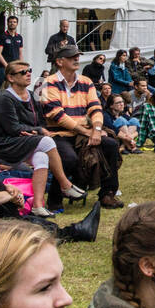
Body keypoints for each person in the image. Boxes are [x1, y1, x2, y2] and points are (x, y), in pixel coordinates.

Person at [0, 59, 85, 209]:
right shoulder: (4, 98)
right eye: (23, 72)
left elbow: (39, 121)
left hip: (24, 141)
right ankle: (65, 184)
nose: (28, 74)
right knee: (46, 141)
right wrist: (38, 132)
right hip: (6, 145)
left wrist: (36, 131)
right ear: (10, 77)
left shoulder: (31, 95)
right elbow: (13, 128)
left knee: (41, 157)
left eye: (29, 70)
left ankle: (37, 205)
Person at [42, 45, 124, 209]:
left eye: (77, 56)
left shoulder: (86, 82)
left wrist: (97, 129)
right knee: (69, 159)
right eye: (72, 57)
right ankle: (55, 200)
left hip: (84, 132)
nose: (76, 59)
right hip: (59, 134)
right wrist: (87, 131)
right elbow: (57, 115)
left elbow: (96, 108)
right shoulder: (48, 83)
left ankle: (107, 194)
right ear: (59, 61)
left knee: (111, 146)